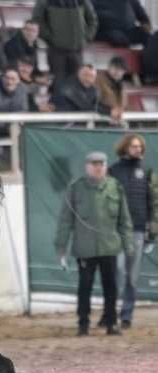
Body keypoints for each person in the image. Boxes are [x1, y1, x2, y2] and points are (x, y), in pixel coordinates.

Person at [55, 151, 134, 336]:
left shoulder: (115, 187)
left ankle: (111, 323)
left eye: (102, 164)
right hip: (85, 248)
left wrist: (128, 243)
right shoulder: (76, 188)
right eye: (94, 164)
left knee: (111, 287)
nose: (98, 167)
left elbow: (124, 220)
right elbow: (65, 221)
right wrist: (61, 249)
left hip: (109, 247)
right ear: (87, 166)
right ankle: (83, 324)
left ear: (106, 166)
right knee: (85, 287)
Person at [109, 134, 158, 329]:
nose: (138, 149)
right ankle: (110, 313)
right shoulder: (113, 171)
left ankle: (126, 315)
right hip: (117, 232)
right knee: (117, 271)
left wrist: (152, 232)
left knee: (132, 276)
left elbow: (154, 203)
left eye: (140, 146)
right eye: (134, 146)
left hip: (138, 231)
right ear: (125, 148)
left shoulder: (146, 172)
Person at [32, 0, 97, 83]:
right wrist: (50, 38)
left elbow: (92, 20)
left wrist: (86, 38)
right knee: (58, 86)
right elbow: (37, 19)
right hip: (56, 52)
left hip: (77, 51)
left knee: (77, 85)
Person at [95, 56, 127, 125]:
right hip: (99, 122)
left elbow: (124, 106)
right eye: (115, 68)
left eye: (121, 69)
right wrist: (109, 111)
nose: (117, 71)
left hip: (116, 123)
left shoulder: (122, 86)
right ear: (109, 67)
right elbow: (92, 104)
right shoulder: (98, 81)